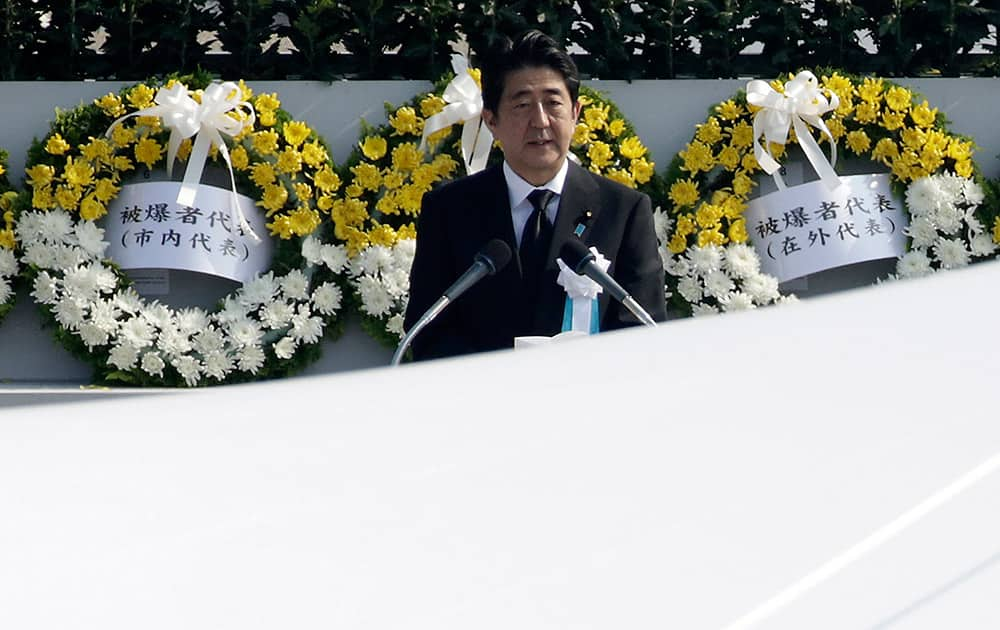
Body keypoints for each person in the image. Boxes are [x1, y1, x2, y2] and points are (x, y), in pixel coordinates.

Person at [403, 29, 666, 361]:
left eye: (553, 103)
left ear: (575, 114)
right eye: (522, 105)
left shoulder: (624, 210)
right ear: (491, 120)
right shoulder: (449, 211)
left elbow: (643, 328)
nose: (540, 121)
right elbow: (428, 331)